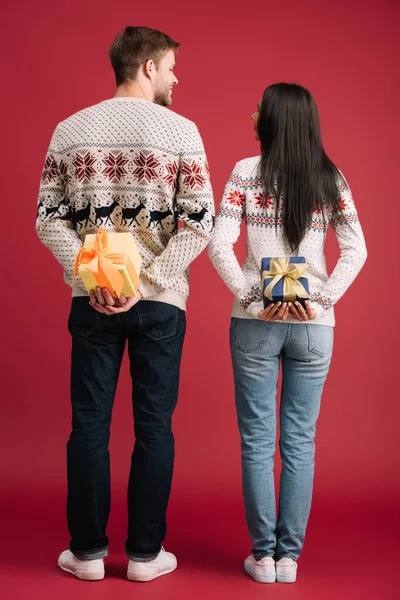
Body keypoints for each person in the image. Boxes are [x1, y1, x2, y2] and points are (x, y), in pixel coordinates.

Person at [36, 25, 214, 582]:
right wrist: (148, 277)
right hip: (160, 303)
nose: (175, 77)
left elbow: (46, 219)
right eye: (170, 67)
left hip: (93, 302)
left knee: (88, 425)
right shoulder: (183, 131)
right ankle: (144, 556)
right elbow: (202, 222)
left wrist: (94, 278)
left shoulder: (69, 131)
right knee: (155, 426)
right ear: (146, 68)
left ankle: (87, 555)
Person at [208, 83, 367, 584]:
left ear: (275, 120)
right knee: (300, 441)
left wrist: (253, 295)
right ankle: (289, 559)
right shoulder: (330, 178)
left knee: (258, 442)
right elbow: (357, 249)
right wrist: (319, 300)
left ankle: (263, 556)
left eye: (260, 107)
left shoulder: (244, 174)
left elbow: (219, 245)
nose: (253, 112)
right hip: (314, 327)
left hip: (257, 321)